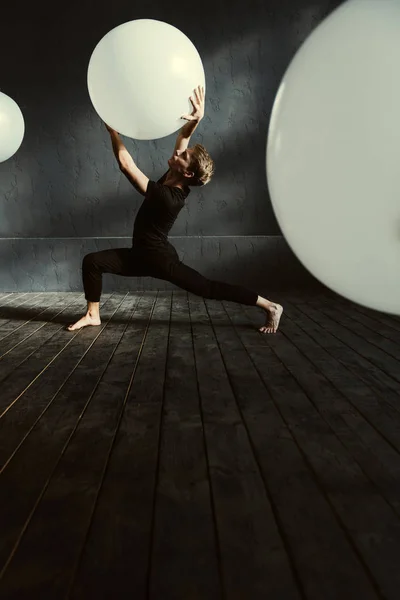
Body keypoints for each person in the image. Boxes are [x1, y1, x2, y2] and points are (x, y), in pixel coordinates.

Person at [67, 86, 283, 333]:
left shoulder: (169, 197)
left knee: (208, 288)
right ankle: (93, 315)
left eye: (184, 156)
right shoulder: (174, 175)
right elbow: (183, 138)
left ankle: (270, 306)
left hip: (159, 260)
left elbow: (126, 166)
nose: (178, 152)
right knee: (92, 262)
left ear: (187, 172)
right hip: (140, 255)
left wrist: (112, 131)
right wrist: (196, 120)